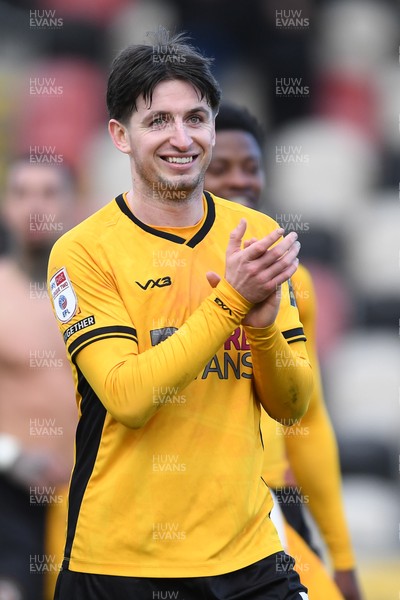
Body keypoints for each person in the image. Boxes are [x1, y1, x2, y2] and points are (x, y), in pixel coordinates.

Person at [47, 28, 314, 600]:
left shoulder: (254, 236)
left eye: (196, 118)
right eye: (158, 121)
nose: (181, 138)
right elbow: (129, 398)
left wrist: (264, 329)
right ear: (120, 135)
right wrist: (232, 302)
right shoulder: (83, 251)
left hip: (250, 559)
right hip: (122, 566)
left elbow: (292, 406)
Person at [205, 102, 363, 600]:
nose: (240, 181)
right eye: (221, 169)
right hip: (193, 511)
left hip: (274, 506)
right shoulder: (159, 279)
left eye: (251, 167)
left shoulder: (299, 283)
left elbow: (307, 419)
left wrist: (341, 557)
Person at [0, 157, 78, 600]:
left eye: (49, 192)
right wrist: (11, 457)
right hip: (10, 496)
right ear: (6, 206)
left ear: (72, 204)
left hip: (89, 493)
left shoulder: (102, 298)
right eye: (21, 192)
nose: (35, 205)